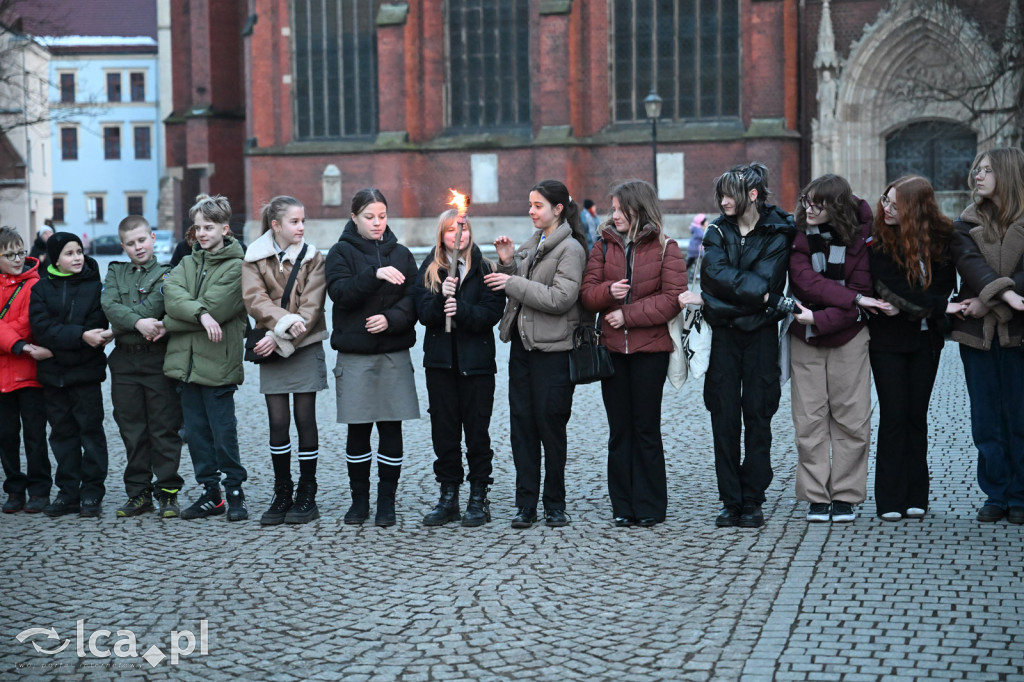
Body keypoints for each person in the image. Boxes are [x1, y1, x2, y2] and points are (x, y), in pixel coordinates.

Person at [683, 163, 795, 529]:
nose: (722, 200)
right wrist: (753, 298)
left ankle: (753, 499)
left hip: (759, 336)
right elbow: (715, 277)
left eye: (729, 193)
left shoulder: (780, 230)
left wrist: (717, 302)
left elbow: (768, 282)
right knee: (724, 417)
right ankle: (730, 500)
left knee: (758, 417)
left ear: (752, 194)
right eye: (720, 194)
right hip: (726, 338)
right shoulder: (716, 231)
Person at [580, 180, 687, 527]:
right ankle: (623, 506)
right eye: (612, 209)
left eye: (618, 209)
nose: (613, 215)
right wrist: (608, 291)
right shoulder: (603, 246)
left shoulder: (665, 247)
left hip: (649, 351)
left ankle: (651, 505)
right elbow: (587, 294)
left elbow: (673, 298)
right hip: (612, 351)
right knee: (619, 430)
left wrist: (628, 314)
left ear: (637, 208)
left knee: (645, 428)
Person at [483, 179, 588, 529]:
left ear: (558, 209)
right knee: (522, 429)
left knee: (550, 427)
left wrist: (511, 282)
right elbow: (524, 292)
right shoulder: (533, 243)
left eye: (538, 205)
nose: (531, 211)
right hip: (523, 349)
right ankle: (525, 503)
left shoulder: (570, 249)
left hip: (554, 352)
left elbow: (559, 299)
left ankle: (554, 504)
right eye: (529, 204)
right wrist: (509, 264)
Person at [787, 175, 891, 523]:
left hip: (847, 335)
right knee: (809, 419)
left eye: (818, 202)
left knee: (852, 417)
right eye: (806, 200)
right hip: (806, 338)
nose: (808, 208)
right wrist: (853, 299)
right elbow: (805, 281)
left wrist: (819, 316)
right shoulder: (799, 233)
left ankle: (845, 495)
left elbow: (862, 288)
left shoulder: (862, 236)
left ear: (837, 206)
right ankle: (817, 496)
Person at [326, 188, 419, 528]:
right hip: (356, 355)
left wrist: (391, 319)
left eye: (382, 216)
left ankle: (386, 502)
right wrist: (373, 275)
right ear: (354, 218)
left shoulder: (402, 254)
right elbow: (340, 293)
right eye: (369, 217)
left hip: (393, 353)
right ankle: (359, 501)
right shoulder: (340, 252)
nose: (377, 223)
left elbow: (413, 299)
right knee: (359, 431)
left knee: (391, 429)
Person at [868, 176, 959, 522]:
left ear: (915, 208)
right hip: (888, 343)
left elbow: (942, 287)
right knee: (893, 415)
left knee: (916, 416)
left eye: (895, 203)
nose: (887, 208)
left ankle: (916, 495)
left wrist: (926, 306)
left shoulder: (939, 241)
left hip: (926, 342)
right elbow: (892, 289)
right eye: (885, 200)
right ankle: (889, 499)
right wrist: (935, 306)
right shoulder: (879, 243)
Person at [413, 209, 505, 527]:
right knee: (445, 432)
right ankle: (448, 494)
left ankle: (478, 496)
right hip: (440, 365)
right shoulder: (430, 269)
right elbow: (423, 312)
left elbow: (491, 313)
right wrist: (442, 299)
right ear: (442, 236)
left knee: (477, 433)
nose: (457, 235)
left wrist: (461, 309)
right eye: (450, 230)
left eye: (462, 230)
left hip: (476, 366)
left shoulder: (486, 268)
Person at [242, 196, 328, 526]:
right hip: (270, 347)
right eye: (294, 222)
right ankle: (282, 491)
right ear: (276, 226)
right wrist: (278, 328)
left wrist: (277, 336)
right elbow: (254, 300)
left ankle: (307, 493)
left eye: (303, 220)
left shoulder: (313, 257)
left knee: (305, 419)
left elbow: (312, 307)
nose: (301, 227)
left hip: (302, 345)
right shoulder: (254, 258)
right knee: (278, 422)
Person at [163, 194, 249, 522]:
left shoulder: (238, 267)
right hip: (185, 366)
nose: (201, 233)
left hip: (218, 365)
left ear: (225, 229)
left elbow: (218, 308)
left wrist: (183, 317)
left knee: (223, 432)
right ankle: (211, 494)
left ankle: (235, 492)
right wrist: (199, 315)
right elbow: (171, 298)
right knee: (197, 434)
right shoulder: (187, 262)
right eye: (197, 227)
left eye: (208, 227)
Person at [950, 147, 1024, 524]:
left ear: (1008, 174)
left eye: (986, 170)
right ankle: (996, 493)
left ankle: (1020, 495)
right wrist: (1006, 293)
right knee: (985, 418)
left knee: (1020, 415)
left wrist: (989, 299)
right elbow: (970, 264)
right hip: (978, 334)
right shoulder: (963, 223)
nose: (977, 175)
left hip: (1018, 333)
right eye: (976, 169)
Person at [101, 216, 184, 518]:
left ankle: (168, 492)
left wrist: (121, 323)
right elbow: (109, 305)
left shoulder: (167, 274)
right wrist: (135, 323)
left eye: (142, 240)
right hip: (124, 362)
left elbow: (156, 308)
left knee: (164, 427)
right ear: (123, 246)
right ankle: (138, 493)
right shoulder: (115, 273)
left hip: (157, 359)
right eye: (131, 243)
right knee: (132, 429)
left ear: (152, 238)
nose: (138, 247)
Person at [28, 232, 111, 518]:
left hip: (85, 375)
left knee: (91, 435)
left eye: (79, 251)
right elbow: (42, 329)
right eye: (69, 253)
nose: (77, 257)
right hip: (53, 378)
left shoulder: (95, 287)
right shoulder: (40, 288)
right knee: (61, 436)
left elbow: (97, 331)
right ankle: (68, 492)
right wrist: (77, 337)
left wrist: (54, 348)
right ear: (55, 258)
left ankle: (91, 492)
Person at [0, 226, 52, 514]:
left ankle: (40, 489)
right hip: (2, 377)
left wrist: (11, 341)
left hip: (29, 374)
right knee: (6, 437)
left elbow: (32, 323)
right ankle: (14, 489)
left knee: (35, 435)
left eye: (21, 252)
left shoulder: (36, 284)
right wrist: (17, 344)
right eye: (10, 255)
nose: (18, 259)